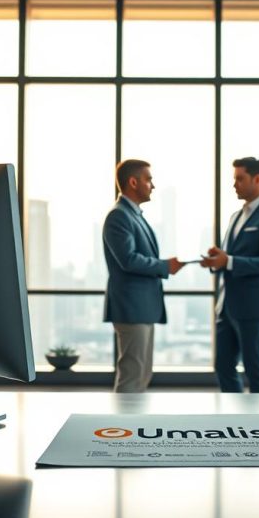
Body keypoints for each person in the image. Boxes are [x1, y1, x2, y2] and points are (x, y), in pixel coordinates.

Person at [200, 157, 259, 393]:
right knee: (223, 367)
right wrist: (217, 259)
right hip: (226, 305)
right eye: (234, 179)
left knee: (253, 368)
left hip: (252, 307)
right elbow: (230, 257)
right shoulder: (235, 217)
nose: (234, 184)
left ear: (257, 179)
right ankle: (236, 419)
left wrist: (228, 260)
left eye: (240, 178)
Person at [102, 159, 184, 393]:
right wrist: (164, 266)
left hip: (142, 307)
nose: (152, 185)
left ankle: (132, 427)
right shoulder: (119, 216)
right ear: (133, 182)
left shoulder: (134, 215)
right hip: (131, 308)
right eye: (148, 179)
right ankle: (120, 428)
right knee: (132, 375)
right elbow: (128, 260)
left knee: (141, 375)